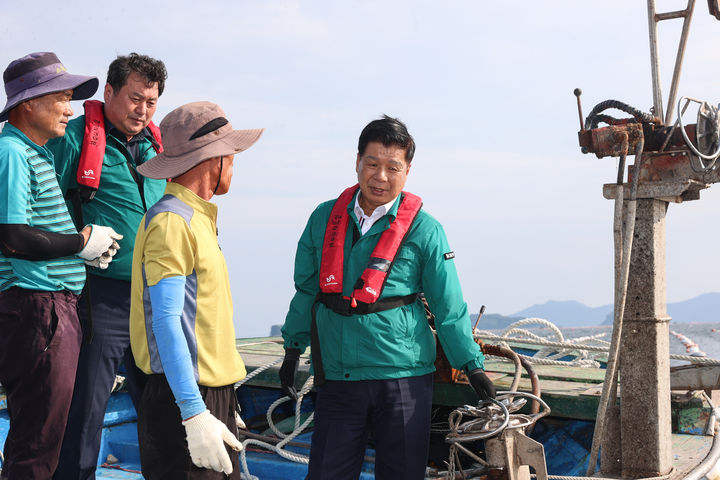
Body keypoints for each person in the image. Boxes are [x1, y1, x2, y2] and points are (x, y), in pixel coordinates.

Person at [279, 115, 496, 480]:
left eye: (392, 167)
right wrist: (291, 349)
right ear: (357, 162)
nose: (381, 176)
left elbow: (448, 305)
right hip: (337, 374)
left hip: (403, 377)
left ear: (407, 170)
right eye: (372, 164)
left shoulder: (427, 229)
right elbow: (307, 290)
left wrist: (472, 365)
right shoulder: (322, 218)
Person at [0, 52, 121, 480]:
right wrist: (81, 244)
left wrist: (79, 249)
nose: (70, 110)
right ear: (28, 104)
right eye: (63, 98)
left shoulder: (33, 152)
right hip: (39, 308)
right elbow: (12, 239)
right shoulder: (13, 152)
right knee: (38, 444)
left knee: (37, 437)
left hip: (47, 307)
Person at [47, 53, 168, 480]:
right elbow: (43, 202)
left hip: (155, 298)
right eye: (135, 98)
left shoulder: (161, 149)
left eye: (151, 102)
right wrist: (76, 242)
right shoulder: (74, 138)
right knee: (85, 410)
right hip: (99, 296)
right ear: (110, 92)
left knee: (160, 408)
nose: (143, 110)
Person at [129, 101, 264, 478]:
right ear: (211, 160)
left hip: (208, 393)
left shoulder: (198, 218)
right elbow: (166, 322)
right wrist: (193, 412)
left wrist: (220, 402)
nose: (234, 165)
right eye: (231, 156)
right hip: (186, 399)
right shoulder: (173, 221)